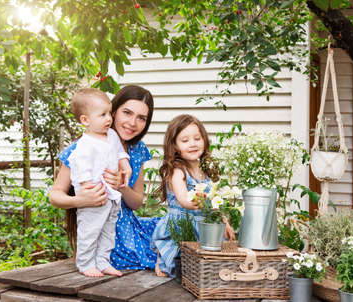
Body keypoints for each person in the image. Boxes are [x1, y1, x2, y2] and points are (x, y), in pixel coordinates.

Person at [49, 85, 159, 273]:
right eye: (127, 113)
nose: (133, 122)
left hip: (126, 224)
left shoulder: (137, 149)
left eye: (141, 118)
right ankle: (92, 262)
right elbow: (55, 196)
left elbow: (137, 203)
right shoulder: (82, 148)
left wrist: (122, 187)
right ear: (113, 111)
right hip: (99, 227)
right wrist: (80, 200)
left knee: (174, 233)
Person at [152, 114, 235, 277]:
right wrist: (194, 200)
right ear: (175, 146)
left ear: (204, 140)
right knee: (179, 261)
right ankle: (161, 259)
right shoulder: (178, 171)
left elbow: (214, 203)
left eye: (197, 138)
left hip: (203, 225)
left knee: (209, 263)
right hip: (182, 224)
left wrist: (223, 221)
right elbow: (183, 198)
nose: (192, 144)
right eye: (185, 140)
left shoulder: (207, 171)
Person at [67, 88, 132, 277]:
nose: (108, 119)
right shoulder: (85, 144)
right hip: (94, 196)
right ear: (85, 120)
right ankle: (85, 263)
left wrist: (125, 163)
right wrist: (85, 185)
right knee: (90, 230)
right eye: (102, 115)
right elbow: (79, 165)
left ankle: (103, 261)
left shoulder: (111, 135)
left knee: (108, 231)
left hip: (111, 196)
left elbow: (119, 152)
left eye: (109, 113)